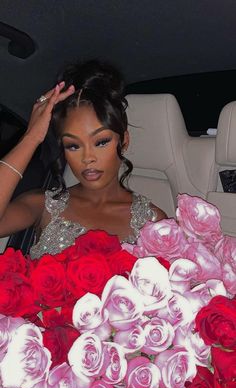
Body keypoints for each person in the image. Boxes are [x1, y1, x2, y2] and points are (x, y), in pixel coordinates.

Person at [0, 60, 166, 257]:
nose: (87, 158)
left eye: (101, 142)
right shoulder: (42, 205)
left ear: (124, 141)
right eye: (73, 145)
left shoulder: (153, 222)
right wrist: (31, 137)